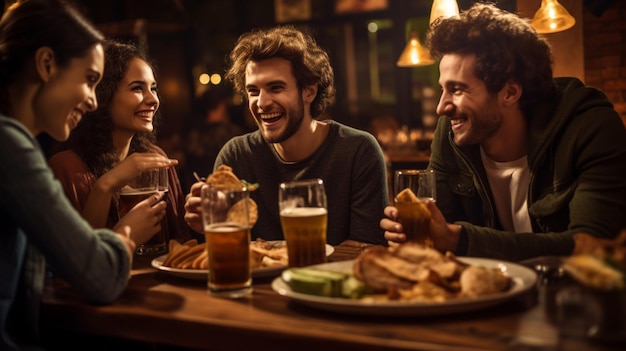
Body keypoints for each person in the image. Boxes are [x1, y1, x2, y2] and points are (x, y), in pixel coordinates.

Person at [381, 3, 626, 261]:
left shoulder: (589, 126)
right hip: (483, 293)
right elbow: (437, 226)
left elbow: (592, 246)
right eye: (443, 88)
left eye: (457, 89)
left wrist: (457, 238)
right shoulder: (452, 132)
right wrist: (413, 231)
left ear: (509, 92)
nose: (442, 107)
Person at [0, 0, 164, 349]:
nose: (93, 101)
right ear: (46, 64)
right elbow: (100, 275)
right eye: (90, 80)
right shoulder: (10, 146)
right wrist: (127, 232)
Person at [184, 25, 389, 246]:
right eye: (253, 91)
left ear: (309, 91)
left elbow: (367, 248)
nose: (261, 103)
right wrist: (205, 227)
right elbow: (226, 248)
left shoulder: (358, 151)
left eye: (275, 87)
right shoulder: (236, 156)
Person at [48, 40, 191, 244]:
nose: (153, 99)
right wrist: (105, 186)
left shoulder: (155, 157)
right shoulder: (67, 168)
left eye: (153, 88)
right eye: (137, 88)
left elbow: (180, 241)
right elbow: (78, 260)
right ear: (102, 95)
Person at [180, 85, 244, 191]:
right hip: (228, 190)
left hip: (200, 188)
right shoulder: (232, 132)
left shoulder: (193, 134)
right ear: (222, 106)